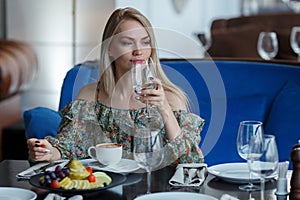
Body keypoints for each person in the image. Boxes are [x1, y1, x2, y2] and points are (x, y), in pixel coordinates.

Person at [27, 7, 205, 166]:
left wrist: (164, 108)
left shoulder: (171, 98)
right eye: (128, 42)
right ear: (110, 49)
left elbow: (190, 162)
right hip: (105, 188)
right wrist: (48, 152)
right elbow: (70, 146)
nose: (139, 50)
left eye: (145, 41)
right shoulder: (90, 95)